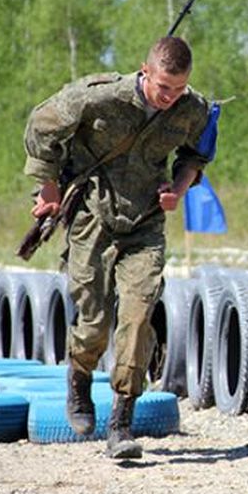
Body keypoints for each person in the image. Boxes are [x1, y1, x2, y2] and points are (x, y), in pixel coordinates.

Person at [23, 36, 210, 459]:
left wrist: (177, 189)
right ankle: (79, 378)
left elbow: (196, 155)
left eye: (179, 89)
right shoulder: (100, 97)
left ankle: (121, 422)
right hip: (91, 215)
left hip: (144, 222)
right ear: (146, 72)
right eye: (163, 87)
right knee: (93, 320)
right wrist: (49, 186)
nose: (170, 98)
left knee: (139, 314)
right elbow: (42, 125)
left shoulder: (192, 109)